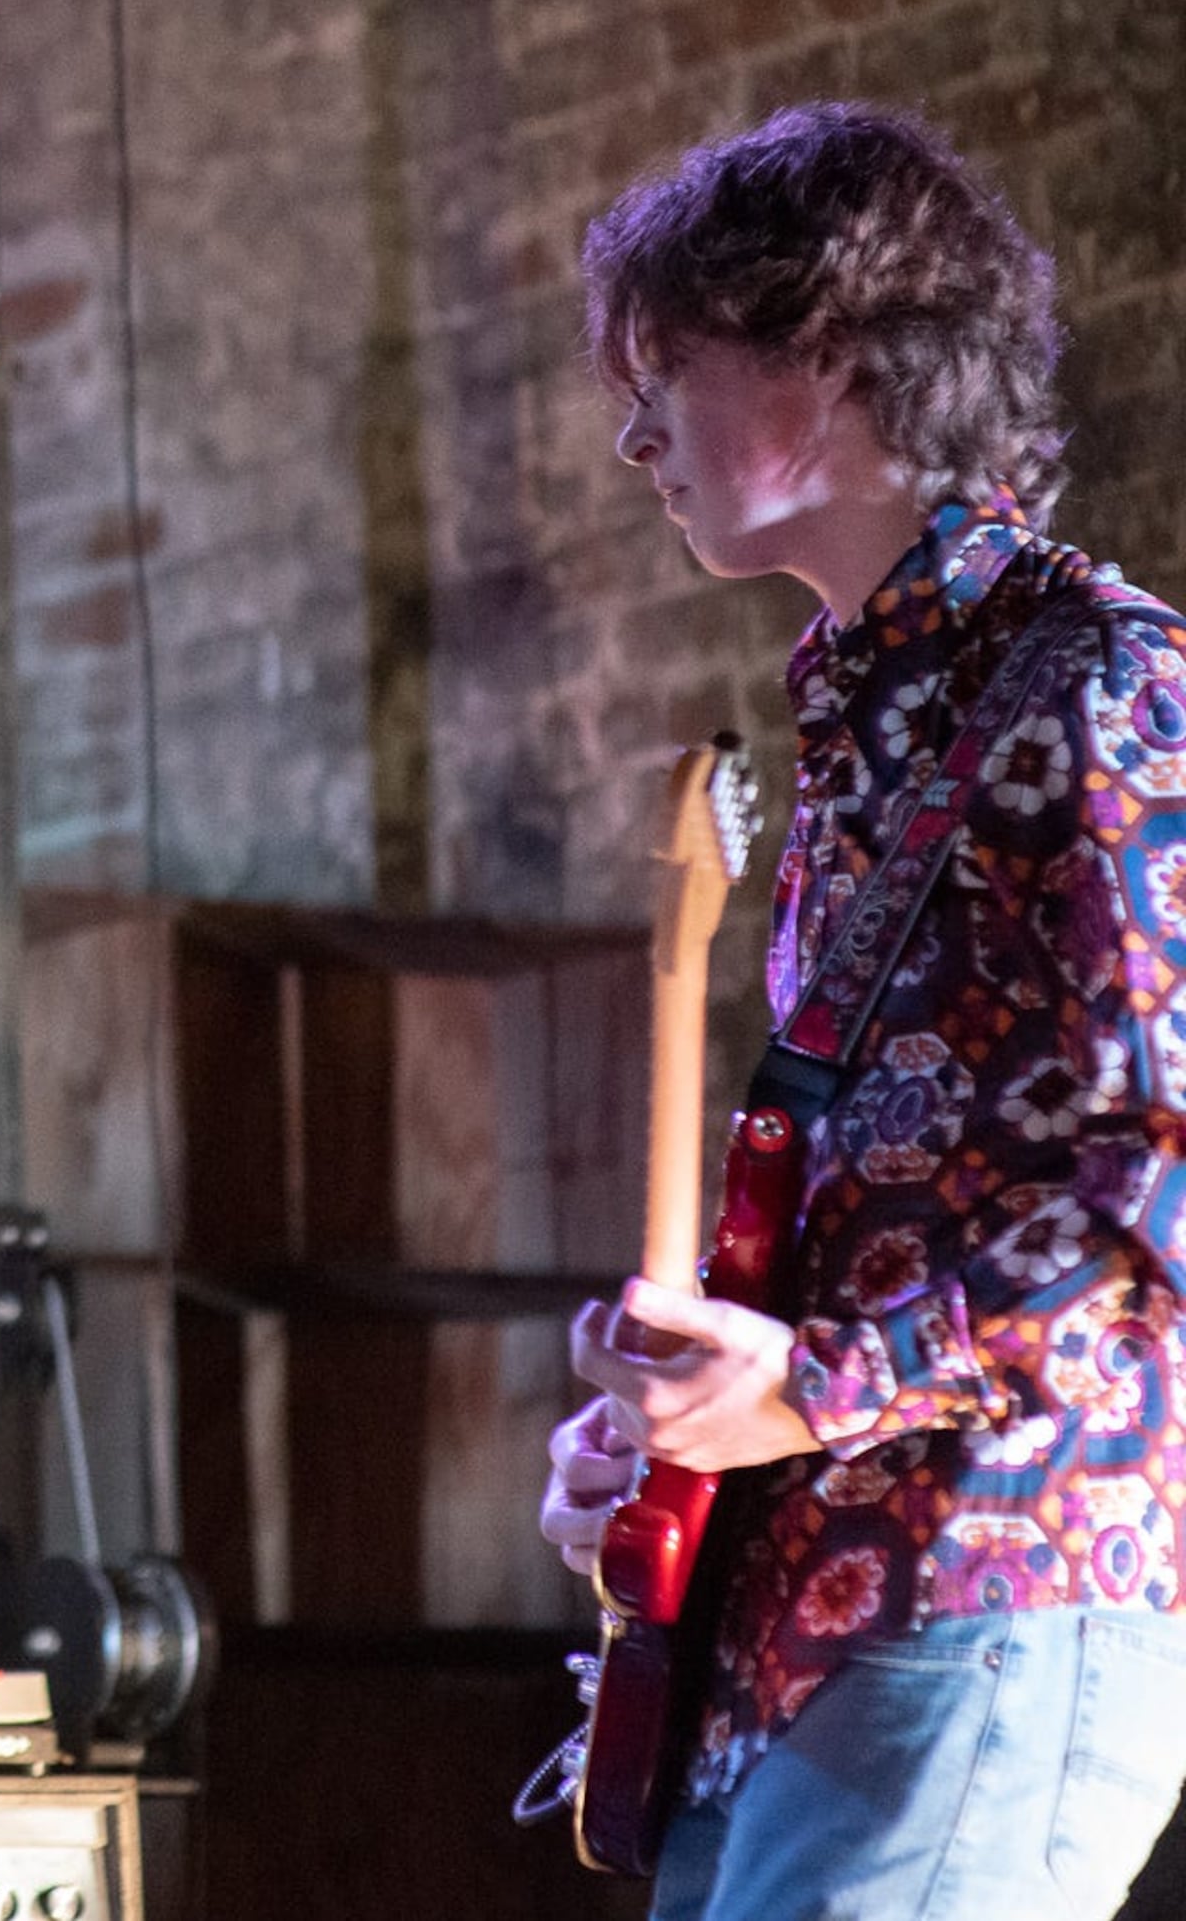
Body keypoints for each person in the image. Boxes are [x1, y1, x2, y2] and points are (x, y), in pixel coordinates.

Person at [537, 102, 1186, 1920]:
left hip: (996, 1580)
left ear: (826, 354)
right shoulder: (867, 723)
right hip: (818, 1624)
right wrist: (687, 1427)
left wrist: (813, 1386)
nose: (631, 429)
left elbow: (1162, 1195)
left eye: (669, 364)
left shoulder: (1108, 685)